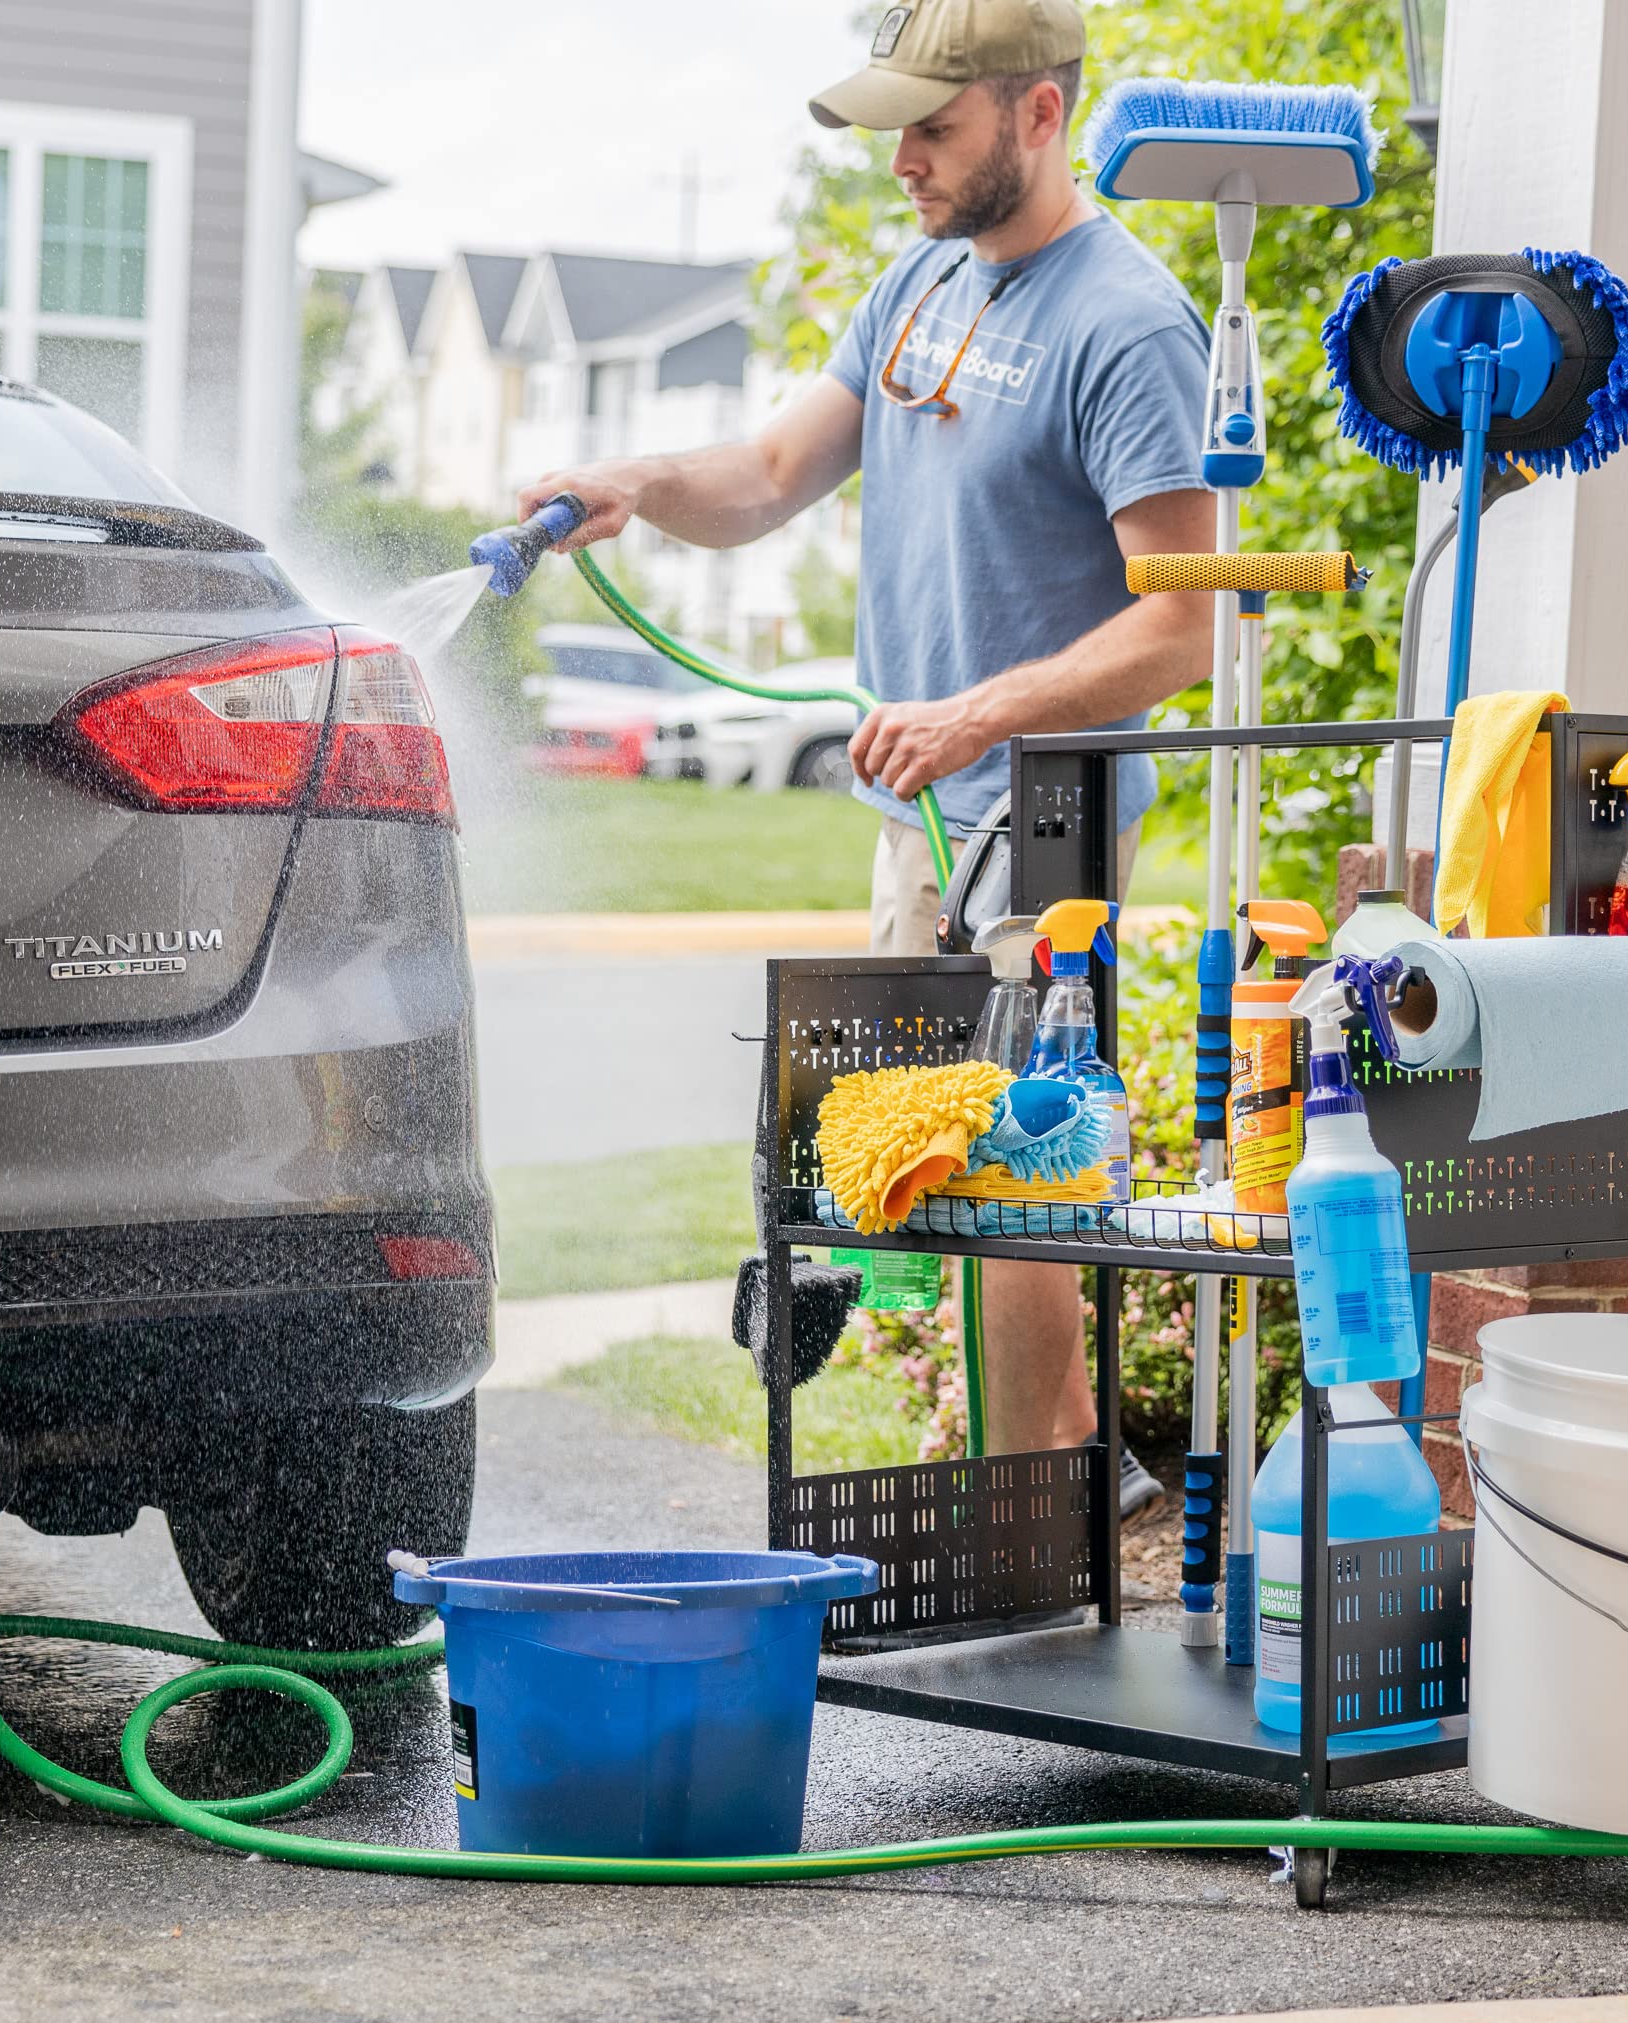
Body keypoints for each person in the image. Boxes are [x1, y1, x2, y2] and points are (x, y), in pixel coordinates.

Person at [520, 0, 1215, 1513]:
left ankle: (1042, 1499)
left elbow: (1183, 633)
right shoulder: (914, 285)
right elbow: (769, 474)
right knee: (940, 1162)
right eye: (896, 127)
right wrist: (631, 481)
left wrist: (974, 713)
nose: (901, 158)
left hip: (1048, 812)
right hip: (929, 811)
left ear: (1039, 116)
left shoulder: (1128, 321)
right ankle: (1067, 1488)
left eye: (935, 126)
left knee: (1011, 1165)